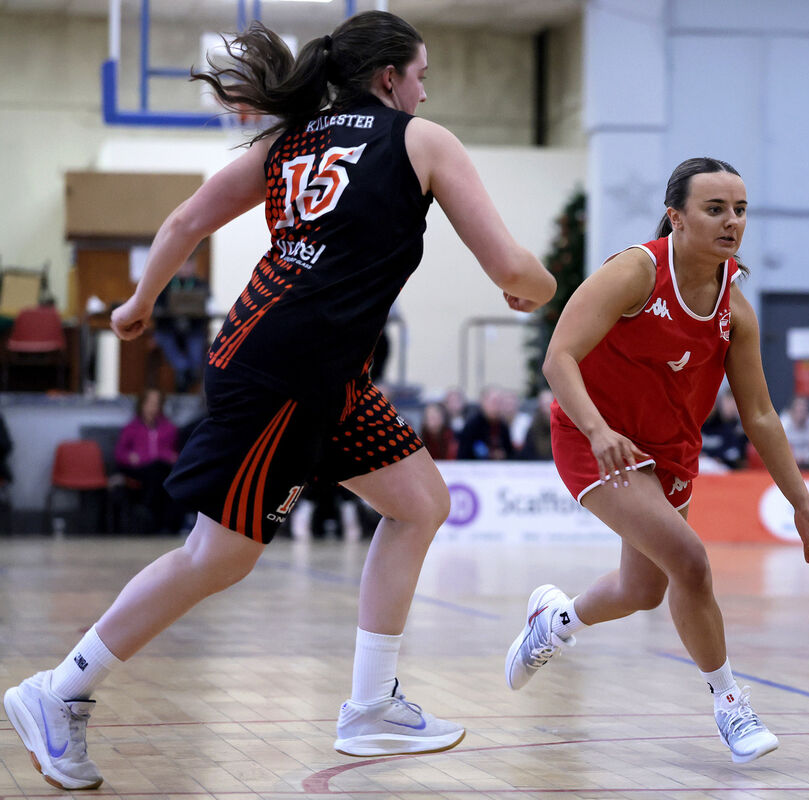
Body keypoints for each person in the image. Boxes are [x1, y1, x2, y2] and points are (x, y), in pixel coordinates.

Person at [2, 12, 555, 791]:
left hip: (314, 367)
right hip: (286, 369)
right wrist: (548, 285)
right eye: (421, 76)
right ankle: (58, 692)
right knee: (217, 556)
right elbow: (512, 269)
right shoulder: (422, 142)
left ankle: (371, 705)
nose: (425, 94)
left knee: (420, 503)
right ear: (389, 78)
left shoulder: (288, 140)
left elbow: (186, 219)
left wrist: (139, 302)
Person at [502, 157, 809, 765]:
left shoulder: (735, 308)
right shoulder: (636, 271)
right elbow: (559, 358)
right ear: (676, 217)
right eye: (715, 209)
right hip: (595, 437)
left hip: (671, 452)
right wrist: (597, 429)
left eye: (740, 210)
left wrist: (803, 506)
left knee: (642, 589)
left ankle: (554, 623)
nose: (732, 221)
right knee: (690, 560)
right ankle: (731, 704)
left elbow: (761, 415)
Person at [114, 388, 182, 533]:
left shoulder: (169, 429)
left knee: (166, 475)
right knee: (156, 476)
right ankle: (155, 522)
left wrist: (172, 456)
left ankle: (164, 523)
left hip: (162, 468)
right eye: (150, 403)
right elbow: (120, 454)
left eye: (156, 403)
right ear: (142, 405)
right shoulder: (131, 428)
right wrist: (130, 457)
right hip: (141, 469)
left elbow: (176, 453)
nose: (153, 407)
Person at [152, 256, 210, 393]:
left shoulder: (200, 285)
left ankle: (192, 373)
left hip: (193, 329)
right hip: (169, 329)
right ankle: (182, 369)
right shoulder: (165, 284)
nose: (185, 269)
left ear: (194, 266)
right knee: (165, 339)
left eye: (188, 265)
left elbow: (209, 307)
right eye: (182, 265)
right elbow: (156, 308)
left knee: (196, 345)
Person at [456, 386, 515, 460]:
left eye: (500, 402)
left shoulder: (503, 426)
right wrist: (489, 455)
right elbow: (464, 454)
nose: (497, 406)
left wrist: (503, 455)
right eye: (494, 402)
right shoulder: (472, 426)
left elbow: (510, 453)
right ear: (483, 402)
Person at [701, 390, 747, 470]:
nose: (708, 409)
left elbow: (734, 453)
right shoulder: (697, 428)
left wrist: (719, 458)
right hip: (700, 465)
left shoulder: (726, 428)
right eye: (704, 405)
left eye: (711, 405)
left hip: (721, 467)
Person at [779, 395, 809, 468]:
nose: (801, 412)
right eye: (799, 409)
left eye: (804, 410)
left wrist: (805, 457)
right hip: (787, 463)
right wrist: (794, 458)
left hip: (808, 464)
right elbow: (779, 447)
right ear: (791, 410)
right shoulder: (784, 422)